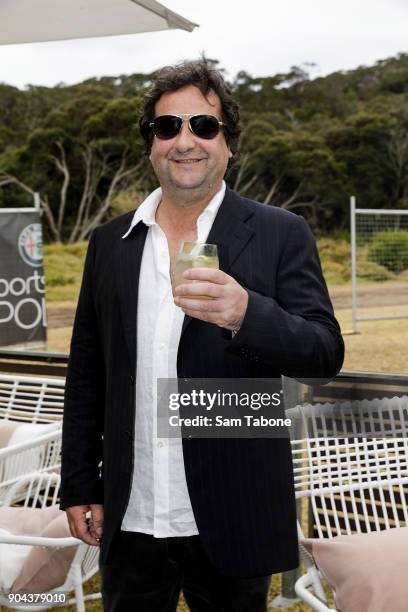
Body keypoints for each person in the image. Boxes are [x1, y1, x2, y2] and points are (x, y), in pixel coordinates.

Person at [60, 59, 344, 612]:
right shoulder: (109, 242)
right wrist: (79, 484)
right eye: (167, 127)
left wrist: (246, 314)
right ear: (150, 145)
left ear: (228, 143)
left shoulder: (280, 232)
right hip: (132, 514)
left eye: (203, 126)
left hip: (233, 514)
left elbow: (324, 351)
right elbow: (87, 374)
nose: (184, 141)